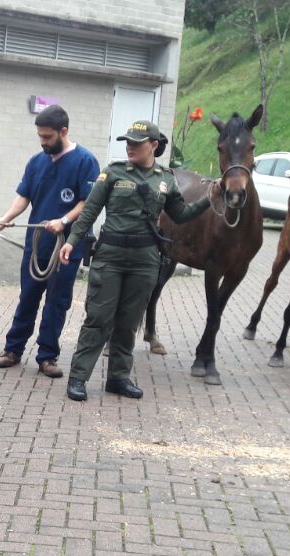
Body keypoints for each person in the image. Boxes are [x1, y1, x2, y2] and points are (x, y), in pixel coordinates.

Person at [59, 120, 211, 402]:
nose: (129, 147)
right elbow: (89, 211)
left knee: (128, 323)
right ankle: (78, 378)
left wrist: (209, 199)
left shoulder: (165, 179)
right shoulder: (113, 173)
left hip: (145, 260)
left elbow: (180, 214)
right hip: (111, 257)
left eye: (136, 143)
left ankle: (118, 378)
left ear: (153, 146)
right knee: (98, 319)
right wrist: (71, 241)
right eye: (127, 142)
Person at [0, 105, 100, 379]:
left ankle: (47, 355)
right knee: (27, 297)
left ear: (64, 131)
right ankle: (13, 349)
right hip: (37, 245)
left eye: (48, 137)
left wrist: (63, 220)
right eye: (40, 136)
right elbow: (24, 196)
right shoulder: (37, 161)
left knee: (57, 302)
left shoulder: (86, 161)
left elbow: (88, 203)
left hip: (66, 247)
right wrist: (5, 217)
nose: (43, 142)